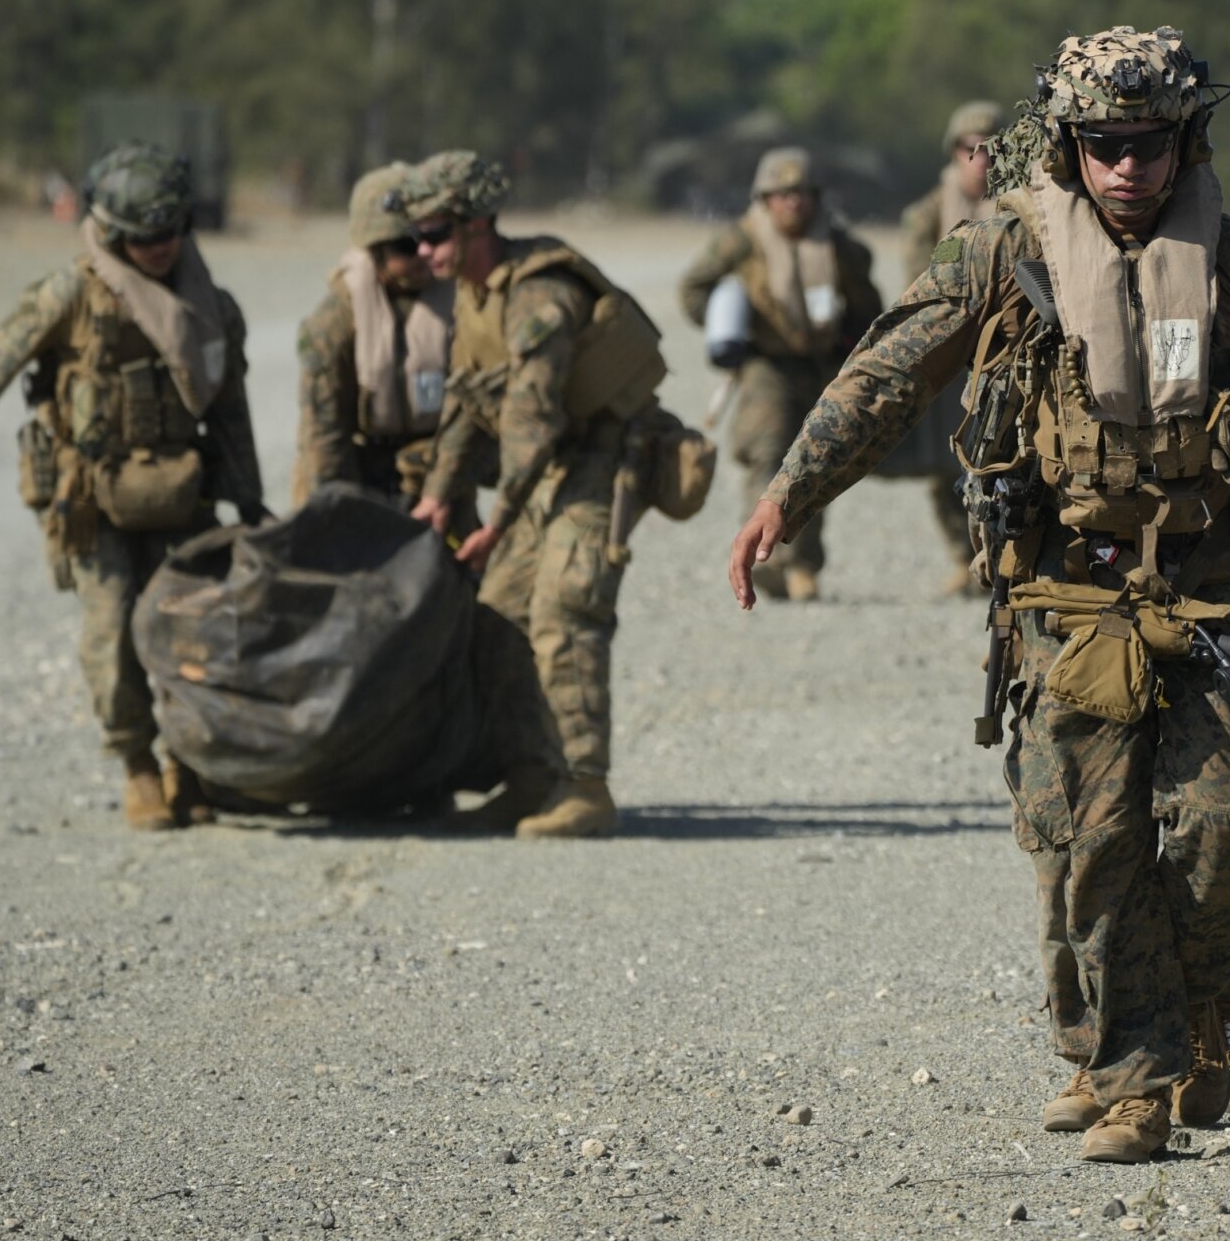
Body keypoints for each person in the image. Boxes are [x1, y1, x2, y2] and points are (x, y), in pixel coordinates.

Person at [726, 27, 1230, 1163]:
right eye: (1104, 144)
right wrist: (788, 496)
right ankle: (1131, 1079)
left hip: (1213, 592)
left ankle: (1217, 1000)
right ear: (1068, 144)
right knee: (1090, 847)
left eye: (1150, 144)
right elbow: (884, 373)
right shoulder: (1002, 251)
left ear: (1186, 141)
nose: (1127, 167)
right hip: (1067, 596)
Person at [0, 142, 264, 830]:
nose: (162, 249)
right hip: (90, 494)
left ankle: (191, 763)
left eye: (172, 233)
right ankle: (137, 766)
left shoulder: (209, 306)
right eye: (146, 238)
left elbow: (230, 410)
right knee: (110, 631)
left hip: (183, 491)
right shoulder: (71, 294)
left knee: (194, 629)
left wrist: (250, 501)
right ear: (117, 234)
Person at [403, 150, 665, 840]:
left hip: (598, 459)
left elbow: (530, 424)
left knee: (565, 606)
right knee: (499, 613)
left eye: (433, 233)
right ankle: (528, 777)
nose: (421, 250)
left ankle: (586, 789)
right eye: (414, 237)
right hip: (546, 466)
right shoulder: (474, 290)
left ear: (476, 222)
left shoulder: (539, 296)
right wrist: (437, 494)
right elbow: (466, 403)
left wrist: (497, 522)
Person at [676, 148, 882, 601]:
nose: (793, 203)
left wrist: (852, 343)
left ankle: (803, 565)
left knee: (817, 462)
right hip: (765, 366)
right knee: (767, 456)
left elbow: (869, 301)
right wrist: (725, 328)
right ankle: (767, 559)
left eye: (802, 194)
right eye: (782, 194)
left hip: (825, 367)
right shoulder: (741, 240)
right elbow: (693, 287)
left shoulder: (838, 246)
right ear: (765, 198)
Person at [294, 161, 466, 524]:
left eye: (430, 239)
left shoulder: (464, 307)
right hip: (355, 476)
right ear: (374, 251)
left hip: (438, 479)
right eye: (406, 245)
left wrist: (444, 485)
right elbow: (324, 434)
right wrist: (341, 511)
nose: (422, 254)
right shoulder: (333, 324)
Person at [888, 100, 1005, 591]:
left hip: (1005, 351)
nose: (979, 157)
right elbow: (918, 283)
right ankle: (963, 555)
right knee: (944, 463)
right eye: (968, 148)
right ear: (953, 152)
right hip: (951, 352)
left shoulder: (1027, 207)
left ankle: (1002, 560)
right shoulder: (928, 214)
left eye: (989, 147)